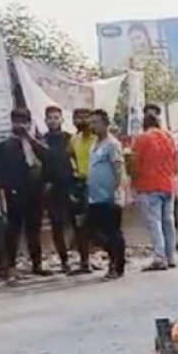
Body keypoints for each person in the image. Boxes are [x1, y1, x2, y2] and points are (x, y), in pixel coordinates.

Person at [0, 108, 50, 279]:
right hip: (14, 194)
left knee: (34, 230)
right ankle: (11, 265)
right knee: (13, 230)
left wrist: (30, 139)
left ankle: (37, 263)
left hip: (35, 194)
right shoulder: (3, 147)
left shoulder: (36, 143)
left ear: (30, 123)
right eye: (17, 121)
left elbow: (49, 159)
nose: (20, 125)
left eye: (24, 121)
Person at [132, 113, 178, 271]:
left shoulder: (142, 139)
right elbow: (175, 162)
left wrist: (134, 181)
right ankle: (170, 257)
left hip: (149, 185)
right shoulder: (169, 137)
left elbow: (135, 163)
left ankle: (160, 257)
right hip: (168, 184)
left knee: (155, 222)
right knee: (168, 221)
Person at [84, 109, 127, 279]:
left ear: (105, 124)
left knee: (112, 232)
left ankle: (117, 265)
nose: (92, 126)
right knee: (94, 232)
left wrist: (116, 190)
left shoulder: (112, 144)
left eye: (96, 122)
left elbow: (118, 168)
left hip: (109, 196)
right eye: (91, 122)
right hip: (95, 197)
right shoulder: (95, 145)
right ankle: (115, 258)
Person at [41, 105, 84, 274]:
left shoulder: (70, 139)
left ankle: (83, 260)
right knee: (57, 226)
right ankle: (64, 260)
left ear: (62, 120)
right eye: (50, 118)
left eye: (56, 118)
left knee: (77, 225)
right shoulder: (42, 141)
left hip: (70, 187)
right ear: (45, 121)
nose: (53, 121)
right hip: (52, 189)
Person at [68, 108, 95, 273]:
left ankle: (113, 260)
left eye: (84, 118)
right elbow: (70, 158)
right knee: (80, 225)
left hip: (97, 185)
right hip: (80, 184)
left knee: (99, 224)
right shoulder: (74, 139)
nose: (80, 121)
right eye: (77, 118)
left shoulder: (97, 139)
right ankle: (85, 262)